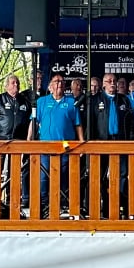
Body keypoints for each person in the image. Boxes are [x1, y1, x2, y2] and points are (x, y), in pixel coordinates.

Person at [28, 74, 84, 218]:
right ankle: (45, 205)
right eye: (56, 81)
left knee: (64, 177)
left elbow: (77, 124)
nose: (59, 83)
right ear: (50, 87)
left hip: (66, 147)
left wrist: (82, 143)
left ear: (65, 86)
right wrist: (27, 143)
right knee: (44, 178)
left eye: (61, 81)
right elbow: (33, 122)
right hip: (45, 147)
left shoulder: (72, 102)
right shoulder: (41, 102)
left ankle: (63, 205)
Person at [88, 73, 134, 217]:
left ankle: (120, 203)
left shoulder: (124, 100)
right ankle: (105, 205)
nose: (112, 83)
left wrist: (132, 140)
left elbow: (131, 123)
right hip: (101, 142)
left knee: (122, 174)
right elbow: (90, 124)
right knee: (101, 175)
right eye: (109, 81)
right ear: (103, 84)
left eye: (114, 80)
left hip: (121, 142)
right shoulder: (95, 100)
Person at [0, 74, 32, 208]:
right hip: (0, 142)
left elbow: (31, 121)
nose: (15, 85)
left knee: (14, 173)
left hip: (17, 143)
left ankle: (12, 200)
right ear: (6, 86)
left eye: (17, 83)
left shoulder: (25, 101)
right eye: (12, 83)